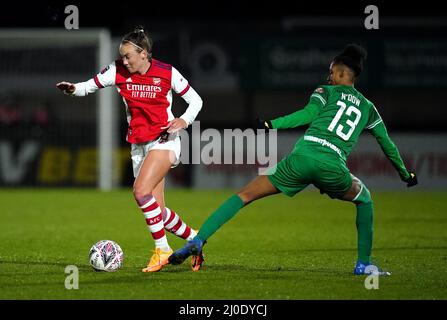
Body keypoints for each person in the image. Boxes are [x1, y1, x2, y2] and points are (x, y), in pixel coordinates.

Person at [169, 44, 418, 275]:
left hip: (301, 158)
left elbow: (308, 114)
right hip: (332, 166)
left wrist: (271, 124)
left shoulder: (326, 91)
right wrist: (405, 174)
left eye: (331, 71)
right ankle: (363, 264)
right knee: (364, 199)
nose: (328, 76)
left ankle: (198, 240)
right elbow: (387, 144)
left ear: (340, 72)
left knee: (244, 195)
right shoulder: (369, 107)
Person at [57, 26, 204, 272]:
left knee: (140, 192)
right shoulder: (117, 70)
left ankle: (163, 250)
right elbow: (88, 86)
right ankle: (195, 240)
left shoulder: (167, 72)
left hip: (164, 139)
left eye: (128, 56)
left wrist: (184, 120)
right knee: (157, 210)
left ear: (144, 53)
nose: (124, 61)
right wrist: (73, 89)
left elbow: (195, 100)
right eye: (122, 56)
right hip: (139, 145)